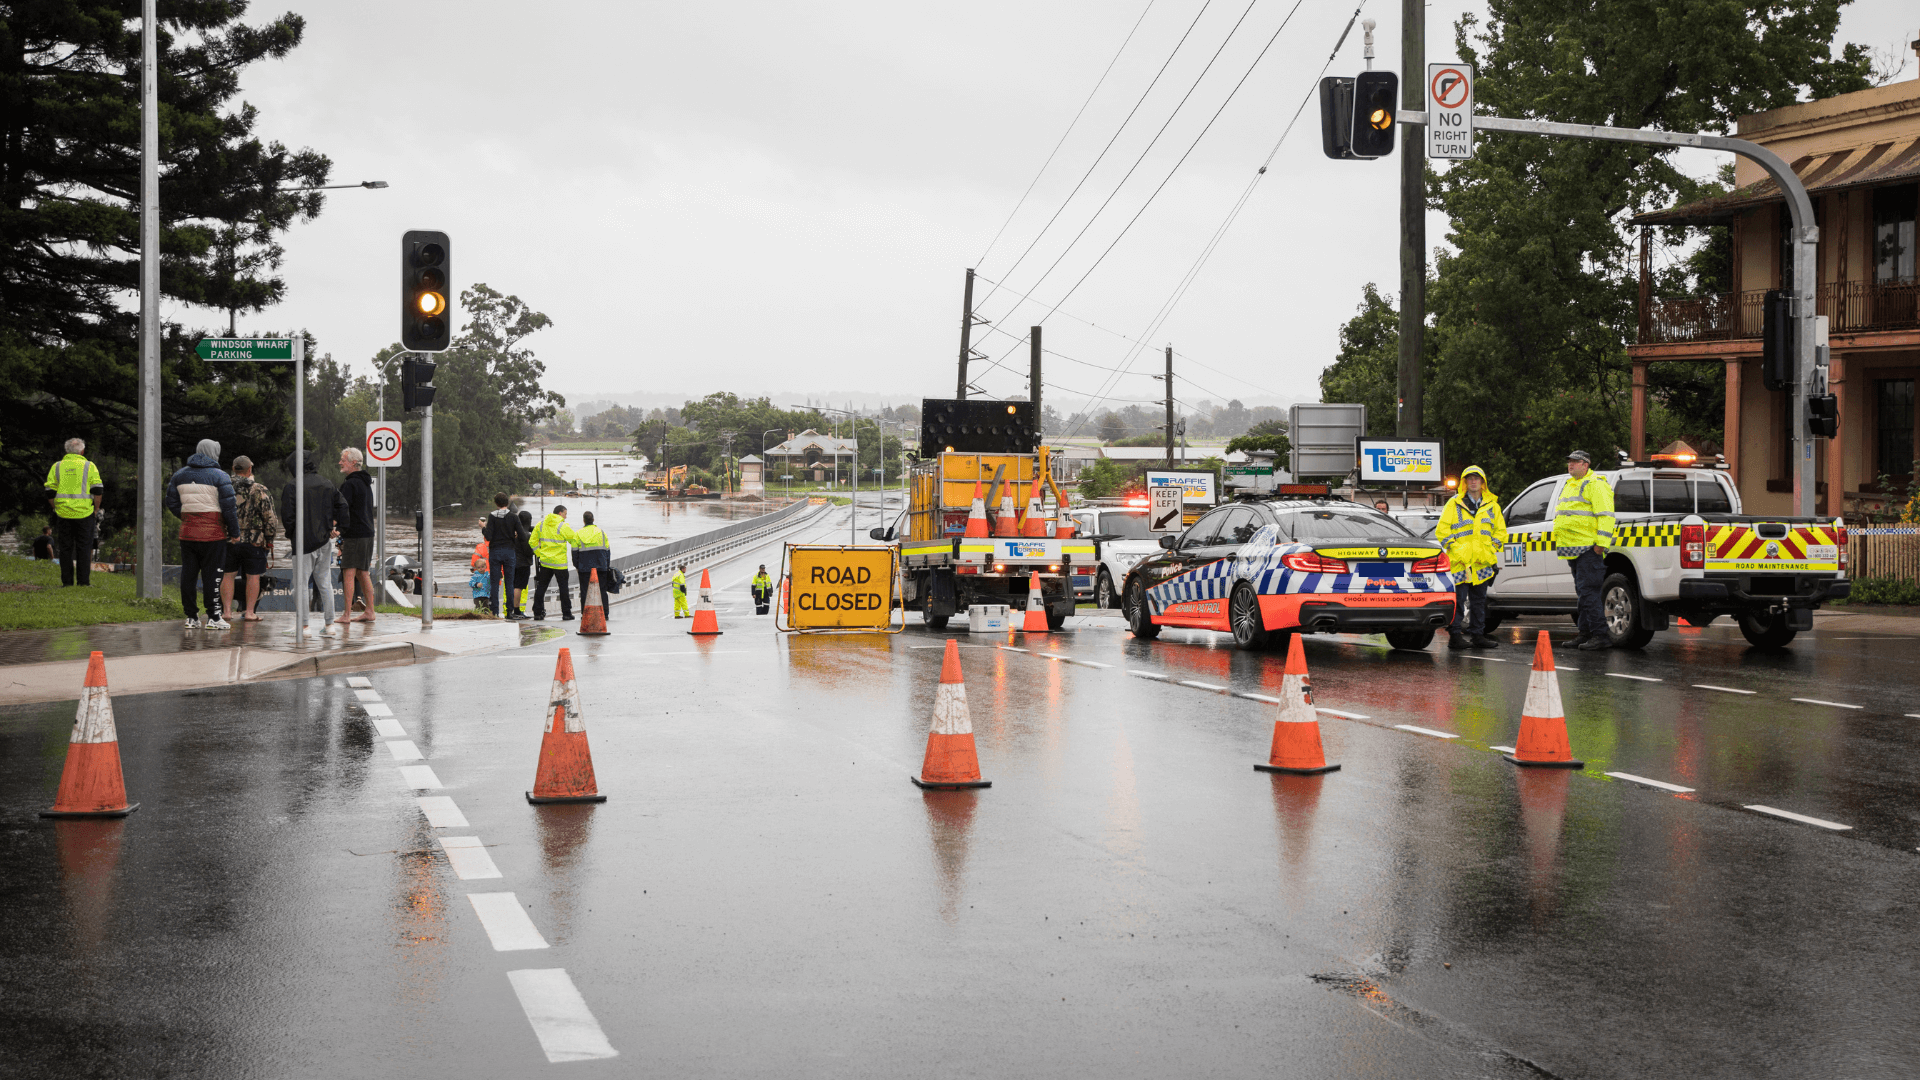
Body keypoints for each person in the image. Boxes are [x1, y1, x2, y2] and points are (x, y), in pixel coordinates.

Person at [165, 438, 239, 630]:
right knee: (213, 575)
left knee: (188, 575)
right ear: (214, 453)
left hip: (187, 534)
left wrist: (187, 517)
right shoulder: (220, 476)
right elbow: (229, 508)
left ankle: (191, 616)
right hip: (213, 535)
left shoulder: (179, 475)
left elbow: (171, 502)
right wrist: (234, 532)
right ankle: (214, 617)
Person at [1551, 449, 1617, 651]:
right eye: (1569, 461)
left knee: (1589, 593)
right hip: (1574, 549)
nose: (1571, 464)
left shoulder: (1595, 484)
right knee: (1583, 593)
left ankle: (1600, 635)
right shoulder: (1570, 484)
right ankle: (1585, 633)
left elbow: (1606, 516)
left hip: (1588, 548)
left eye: (1575, 461)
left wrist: (1600, 545)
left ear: (1585, 465)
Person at [1436, 465, 1506, 651]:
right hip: (1460, 562)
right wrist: (1455, 548)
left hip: (1482, 562)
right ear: (1465, 482)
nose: (1473, 481)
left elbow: (1500, 532)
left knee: (1479, 601)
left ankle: (1477, 635)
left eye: (1477, 478)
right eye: (1470, 478)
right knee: (1459, 601)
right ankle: (1455, 636)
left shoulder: (1492, 505)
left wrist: (1491, 549)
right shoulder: (1454, 503)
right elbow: (1442, 530)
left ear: (1483, 482)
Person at [283, 449, 349, 635]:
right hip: (324, 541)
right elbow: (343, 506)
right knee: (325, 583)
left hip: (303, 543)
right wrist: (338, 528)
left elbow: (288, 516)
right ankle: (330, 625)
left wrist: (292, 535)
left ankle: (304, 626)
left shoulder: (292, 486)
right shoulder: (327, 484)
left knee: (301, 585)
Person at [220, 456, 282, 622]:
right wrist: (269, 540)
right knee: (253, 576)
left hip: (228, 540)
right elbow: (270, 519)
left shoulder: (223, 488)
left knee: (228, 575)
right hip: (254, 541)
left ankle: (226, 612)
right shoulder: (259, 489)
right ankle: (249, 612)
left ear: (233, 469)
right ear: (249, 470)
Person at [43, 437, 104, 586]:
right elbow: (97, 490)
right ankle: (83, 582)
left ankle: (67, 582)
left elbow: (50, 492)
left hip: (63, 514)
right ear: (82, 451)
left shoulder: (57, 466)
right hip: (84, 514)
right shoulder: (89, 466)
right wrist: (95, 509)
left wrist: (56, 507)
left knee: (65, 548)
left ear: (66, 451)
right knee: (84, 548)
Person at [335, 447, 378, 624]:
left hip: (355, 534)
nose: (340, 462)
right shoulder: (366, 482)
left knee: (348, 572)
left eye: (343, 459)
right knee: (363, 573)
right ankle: (370, 611)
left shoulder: (349, 484)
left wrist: (335, 527)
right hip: (368, 532)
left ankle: (346, 615)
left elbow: (342, 509)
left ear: (353, 462)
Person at [482, 494, 530, 619]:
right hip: (509, 552)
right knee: (509, 582)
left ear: (496, 503)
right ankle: (509, 612)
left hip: (495, 552)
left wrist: (483, 527)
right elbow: (523, 537)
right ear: (507, 503)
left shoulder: (492, 516)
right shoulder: (513, 517)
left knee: (494, 582)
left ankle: (494, 611)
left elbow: (488, 536)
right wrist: (513, 535)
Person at [529, 503, 579, 621]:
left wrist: (540, 554)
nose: (566, 517)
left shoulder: (541, 524)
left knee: (541, 587)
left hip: (545, 562)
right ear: (560, 513)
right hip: (560, 564)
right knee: (563, 588)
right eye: (565, 514)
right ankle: (566, 613)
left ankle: (537, 612)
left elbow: (532, 541)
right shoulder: (563, 526)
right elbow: (575, 541)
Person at [571, 510, 615, 619]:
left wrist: (578, 566)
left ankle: (585, 614)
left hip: (584, 568)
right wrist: (606, 566)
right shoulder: (602, 532)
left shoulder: (578, 533)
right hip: (601, 566)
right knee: (602, 591)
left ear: (584, 520)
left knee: (585, 592)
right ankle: (605, 614)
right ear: (593, 520)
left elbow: (574, 553)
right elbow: (607, 551)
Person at [513, 509, 536, 618]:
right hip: (523, 564)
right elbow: (528, 552)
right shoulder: (526, 535)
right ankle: (516, 610)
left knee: (513, 586)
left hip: (513, 562)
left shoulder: (515, 532)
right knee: (519, 587)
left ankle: (511, 609)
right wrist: (537, 547)